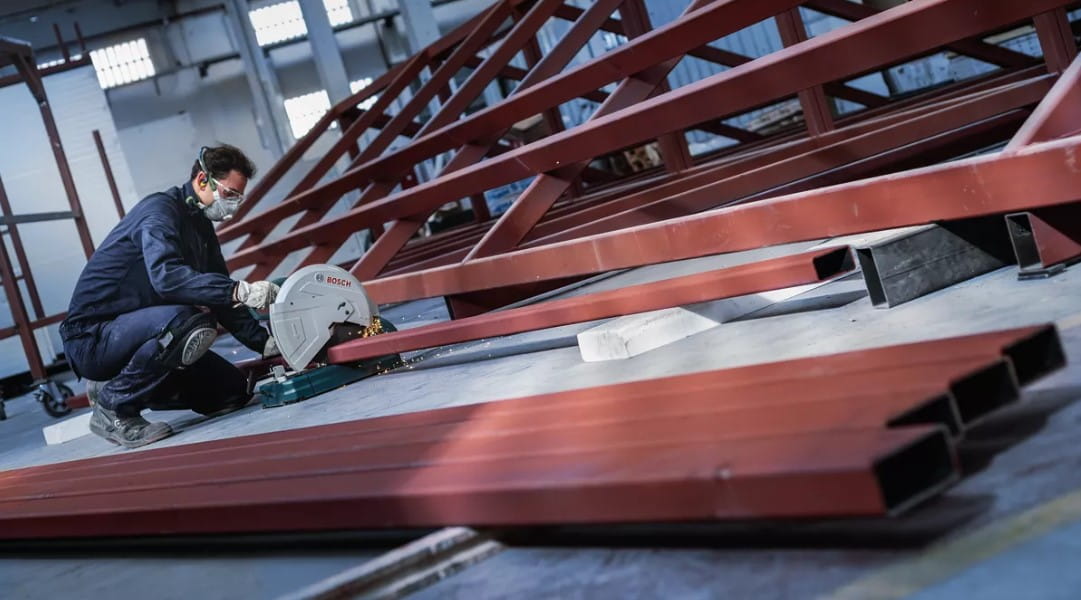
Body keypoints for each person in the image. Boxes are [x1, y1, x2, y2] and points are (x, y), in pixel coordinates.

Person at [59, 144, 281, 448]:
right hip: (93, 337)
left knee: (233, 392)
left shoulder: (200, 225)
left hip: (139, 334)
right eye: (229, 194)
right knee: (189, 323)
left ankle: (121, 383)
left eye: (237, 198)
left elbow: (219, 292)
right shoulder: (159, 213)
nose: (233, 205)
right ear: (202, 180)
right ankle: (113, 407)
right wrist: (240, 290)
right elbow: (167, 278)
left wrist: (263, 342)